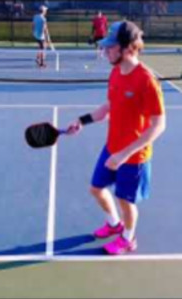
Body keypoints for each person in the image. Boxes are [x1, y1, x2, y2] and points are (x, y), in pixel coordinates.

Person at [67, 21, 166, 255]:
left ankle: (128, 239)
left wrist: (124, 154)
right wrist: (82, 120)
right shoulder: (115, 73)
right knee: (96, 188)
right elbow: (109, 107)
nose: (105, 51)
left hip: (134, 157)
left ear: (127, 48)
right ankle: (114, 224)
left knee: (125, 201)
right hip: (112, 147)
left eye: (110, 47)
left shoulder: (147, 80)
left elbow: (159, 125)